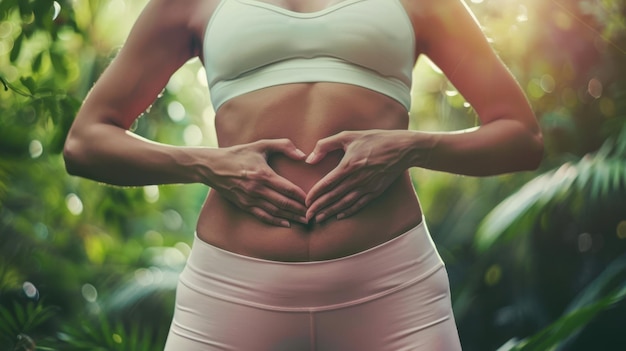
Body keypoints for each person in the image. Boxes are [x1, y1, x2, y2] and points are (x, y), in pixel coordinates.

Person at [63, 0, 543, 349]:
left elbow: (521, 136)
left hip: (394, 293)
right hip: (231, 295)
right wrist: (209, 164)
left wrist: (409, 147)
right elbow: (86, 142)